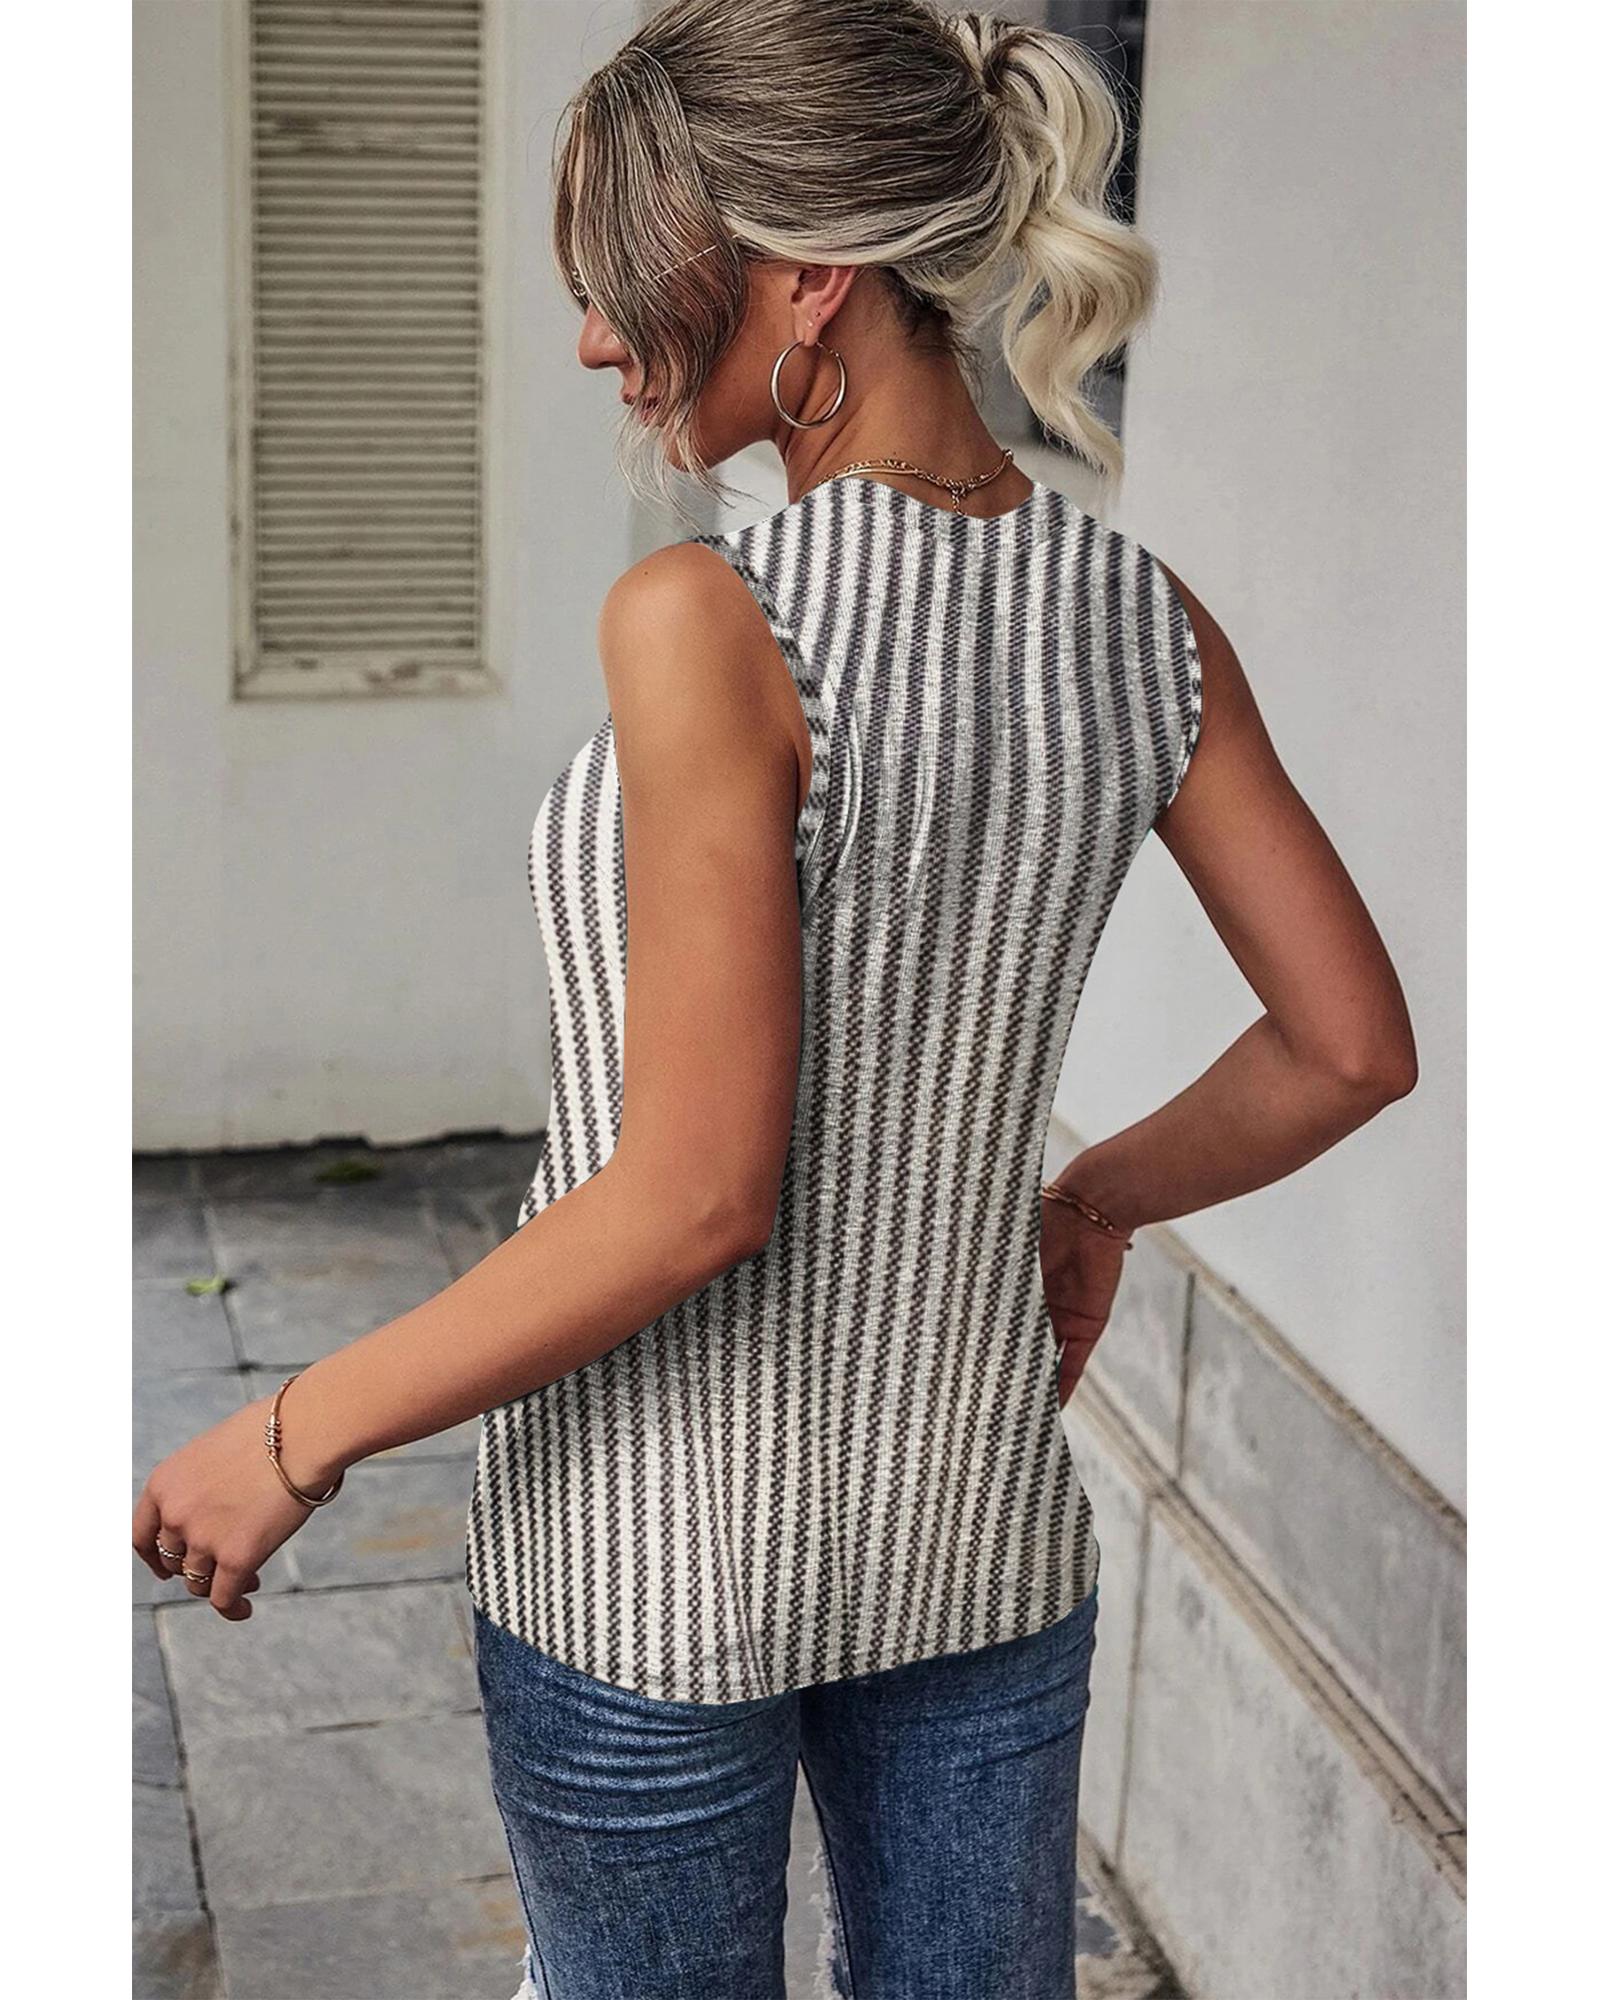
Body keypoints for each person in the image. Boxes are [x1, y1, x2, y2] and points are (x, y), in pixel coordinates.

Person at [133, 5, 1418, 1995]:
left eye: (621, 272)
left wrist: (296, 1433)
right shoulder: (1140, 623)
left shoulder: (706, 616)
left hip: (646, 1575)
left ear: (806, 277)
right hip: (973, 1544)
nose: (591, 338)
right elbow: (1346, 1047)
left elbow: (696, 1193)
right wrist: (1089, 1203)